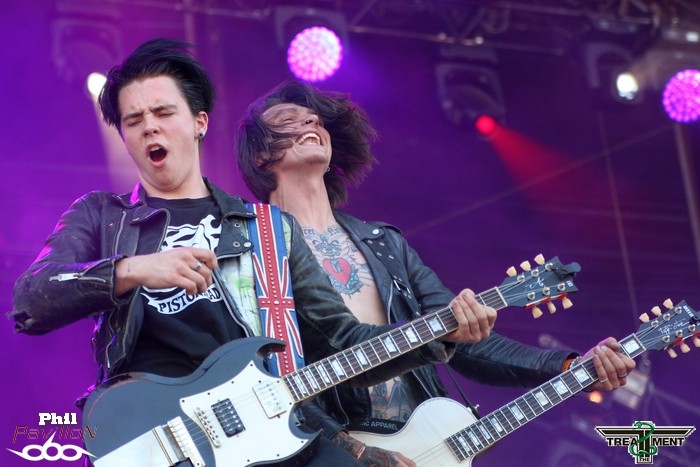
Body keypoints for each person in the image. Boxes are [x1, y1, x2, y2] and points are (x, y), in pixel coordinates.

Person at [9, 39, 498, 467]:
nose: (149, 128)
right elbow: (30, 300)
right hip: (154, 436)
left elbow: (342, 339)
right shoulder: (102, 215)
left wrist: (441, 334)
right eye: (134, 121)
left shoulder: (268, 229)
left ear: (198, 123)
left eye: (163, 113)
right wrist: (134, 269)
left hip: (270, 431)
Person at [235, 79, 637, 466]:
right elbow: (261, 380)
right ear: (259, 155)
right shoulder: (251, 252)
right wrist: (346, 450)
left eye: (315, 119)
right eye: (289, 119)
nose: (310, 121)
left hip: (422, 448)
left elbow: (465, 342)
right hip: (327, 449)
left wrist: (568, 367)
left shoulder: (384, 243)